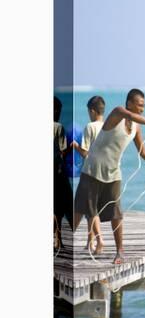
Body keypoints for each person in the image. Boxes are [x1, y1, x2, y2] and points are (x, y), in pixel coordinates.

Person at [74, 88, 145, 263]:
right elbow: (132, 116)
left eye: (144, 106)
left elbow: (142, 150)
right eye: (139, 105)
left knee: (116, 213)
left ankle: (120, 252)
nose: (142, 108)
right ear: (129, 103)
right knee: (80, 210)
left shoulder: (136, 127)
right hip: (92, 170)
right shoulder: (117, 112)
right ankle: (61, 244)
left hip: (113, 173)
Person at [71, 95, 106, 251]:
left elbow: (85, 153)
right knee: (89, 207)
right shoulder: (107, 127)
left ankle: (99, 240)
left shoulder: (90, 127)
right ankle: (89, 242)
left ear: (92, 111)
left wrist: (76, 146)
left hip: (89, 172)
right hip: (104, 173)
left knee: (85, 208)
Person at [53, 96, 73, 250]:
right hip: (56, 172)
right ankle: (58, 240)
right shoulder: (58, 127)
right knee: (61, 205)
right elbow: (61, 153)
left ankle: (57, 240)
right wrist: (72, 147)